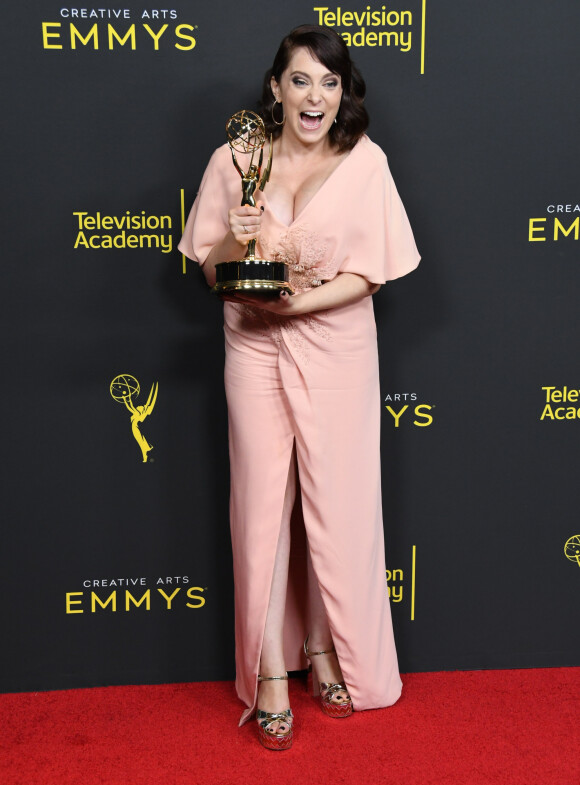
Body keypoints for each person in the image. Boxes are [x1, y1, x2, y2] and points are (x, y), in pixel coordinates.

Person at [179, 24, 420, 750]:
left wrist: (296, 304)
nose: (315, 95)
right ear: (276, 88)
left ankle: (326, 651)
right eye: (301, 80)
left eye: (330, 82)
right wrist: (235, 236)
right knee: (260, 505)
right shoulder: (235, 158)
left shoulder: (366, 163)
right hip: (251, 347)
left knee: (335, 507)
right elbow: (210, 268)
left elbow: (369, 272)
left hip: (338, 346)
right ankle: (271, 674)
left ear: (342, 94)